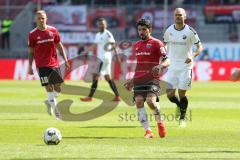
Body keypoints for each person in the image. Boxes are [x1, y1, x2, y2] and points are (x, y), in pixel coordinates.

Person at [124, 19, 169, 138]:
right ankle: (148, 131)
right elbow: (139, 65)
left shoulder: (157, 43)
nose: (141, 32)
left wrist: (161, 66)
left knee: (151, 102)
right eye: (139, 29)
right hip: (139, 80)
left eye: (144, 29)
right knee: (139, 102)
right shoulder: (137, 45)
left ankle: (160, 123)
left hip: (152, 79)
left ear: (150, 30)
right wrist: (132, 81)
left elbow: (167, 60)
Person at [163, 8, 203, 127]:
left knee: (182, 93)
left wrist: (193, 55)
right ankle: (180, 106)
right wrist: (164, 52)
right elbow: (164, 43)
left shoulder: (191, 31)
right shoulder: (169, 30)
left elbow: (199, 47)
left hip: (185, 67)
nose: (178, 17)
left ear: (185, 16)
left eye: (180, 15)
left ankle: (182, 118)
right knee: (169, 94)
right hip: (172, 66)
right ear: (173, 16)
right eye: (176, 15)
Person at [28, 10, 70, 119]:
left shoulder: (53, 30)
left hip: (54, 64)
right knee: (49, 87)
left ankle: (49, 101)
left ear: (46, 18)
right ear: (35, 20)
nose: (41, 20)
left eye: (43, 18)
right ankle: (56, 112)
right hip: (41, 65)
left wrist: (65, 59)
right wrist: (30, 66)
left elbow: (59, 45)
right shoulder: (32, 34)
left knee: (58, 88)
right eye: (39, 18)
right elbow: (31, 51)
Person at [80, 18, 121, 102]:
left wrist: (116, 56)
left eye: (102, 24)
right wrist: (85, 52)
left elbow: (113, 45)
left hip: (104, 58)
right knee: (107, 77)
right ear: (98, 25)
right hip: (103, 59)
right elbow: (94, 45)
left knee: (95, 76)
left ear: (106, 25)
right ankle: (117, 96)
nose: (101, 25)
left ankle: (90, 97)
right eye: (99, 24)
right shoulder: (98, 34)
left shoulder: (108, 34)